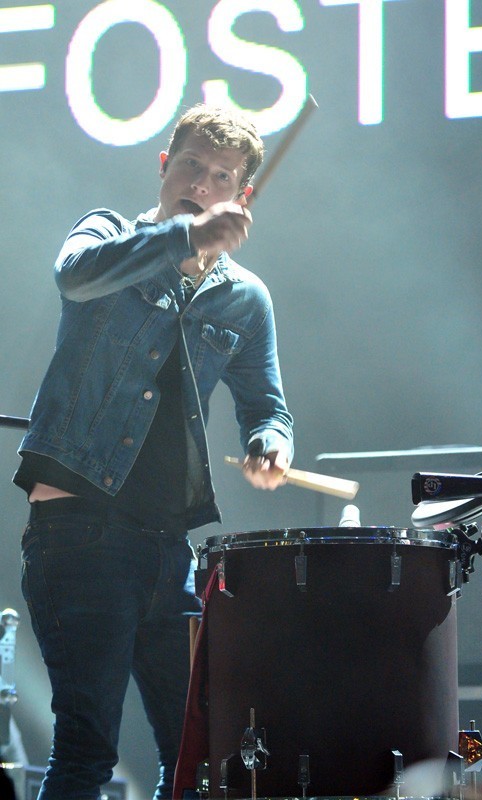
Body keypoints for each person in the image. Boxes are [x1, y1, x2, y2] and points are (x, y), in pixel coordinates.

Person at [14, 104, 293, 800]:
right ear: (165, 166)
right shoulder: (108, 235)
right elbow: (74, 276)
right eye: (191, 165)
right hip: (79, 530)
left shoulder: (244, 299)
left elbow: (267, 407)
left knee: (197, 757)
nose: (200, 183)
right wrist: (183, 239)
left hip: (170, 548)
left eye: (220, 176)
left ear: (243, 196)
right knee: (86, 752)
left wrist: (270, 442)